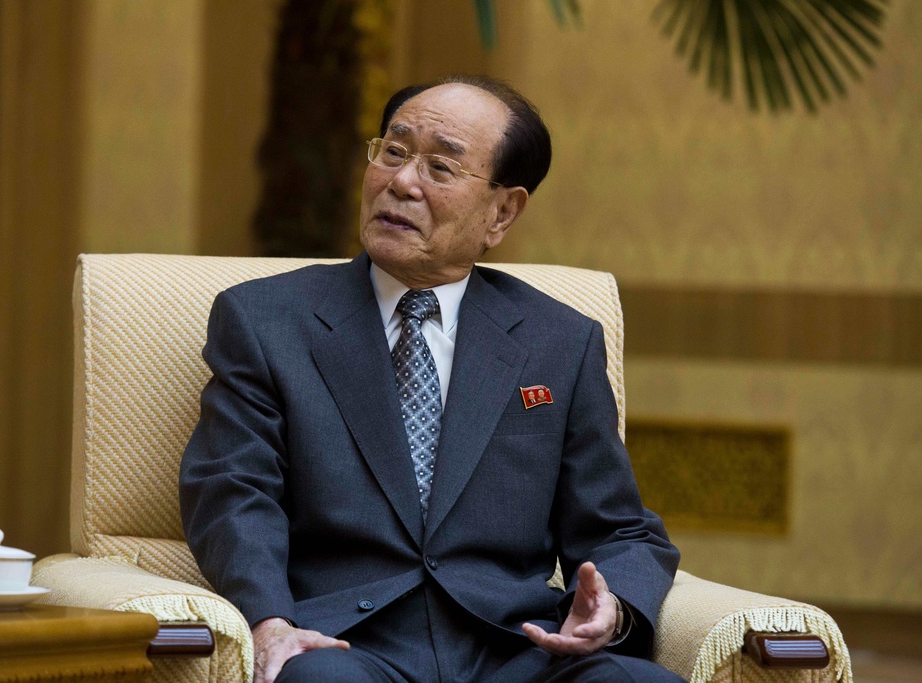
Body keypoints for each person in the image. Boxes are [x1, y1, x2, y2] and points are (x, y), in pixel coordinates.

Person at [180, 74, 683, 683]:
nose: (400, 182)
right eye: (393, 152)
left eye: (440, 169)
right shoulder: (266, 319)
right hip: (347, 646)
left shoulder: (560, 341)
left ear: (502, 211)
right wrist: (268, 618)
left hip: (514, 649)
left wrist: (613, 608)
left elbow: (619, 528)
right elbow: (232, 489)